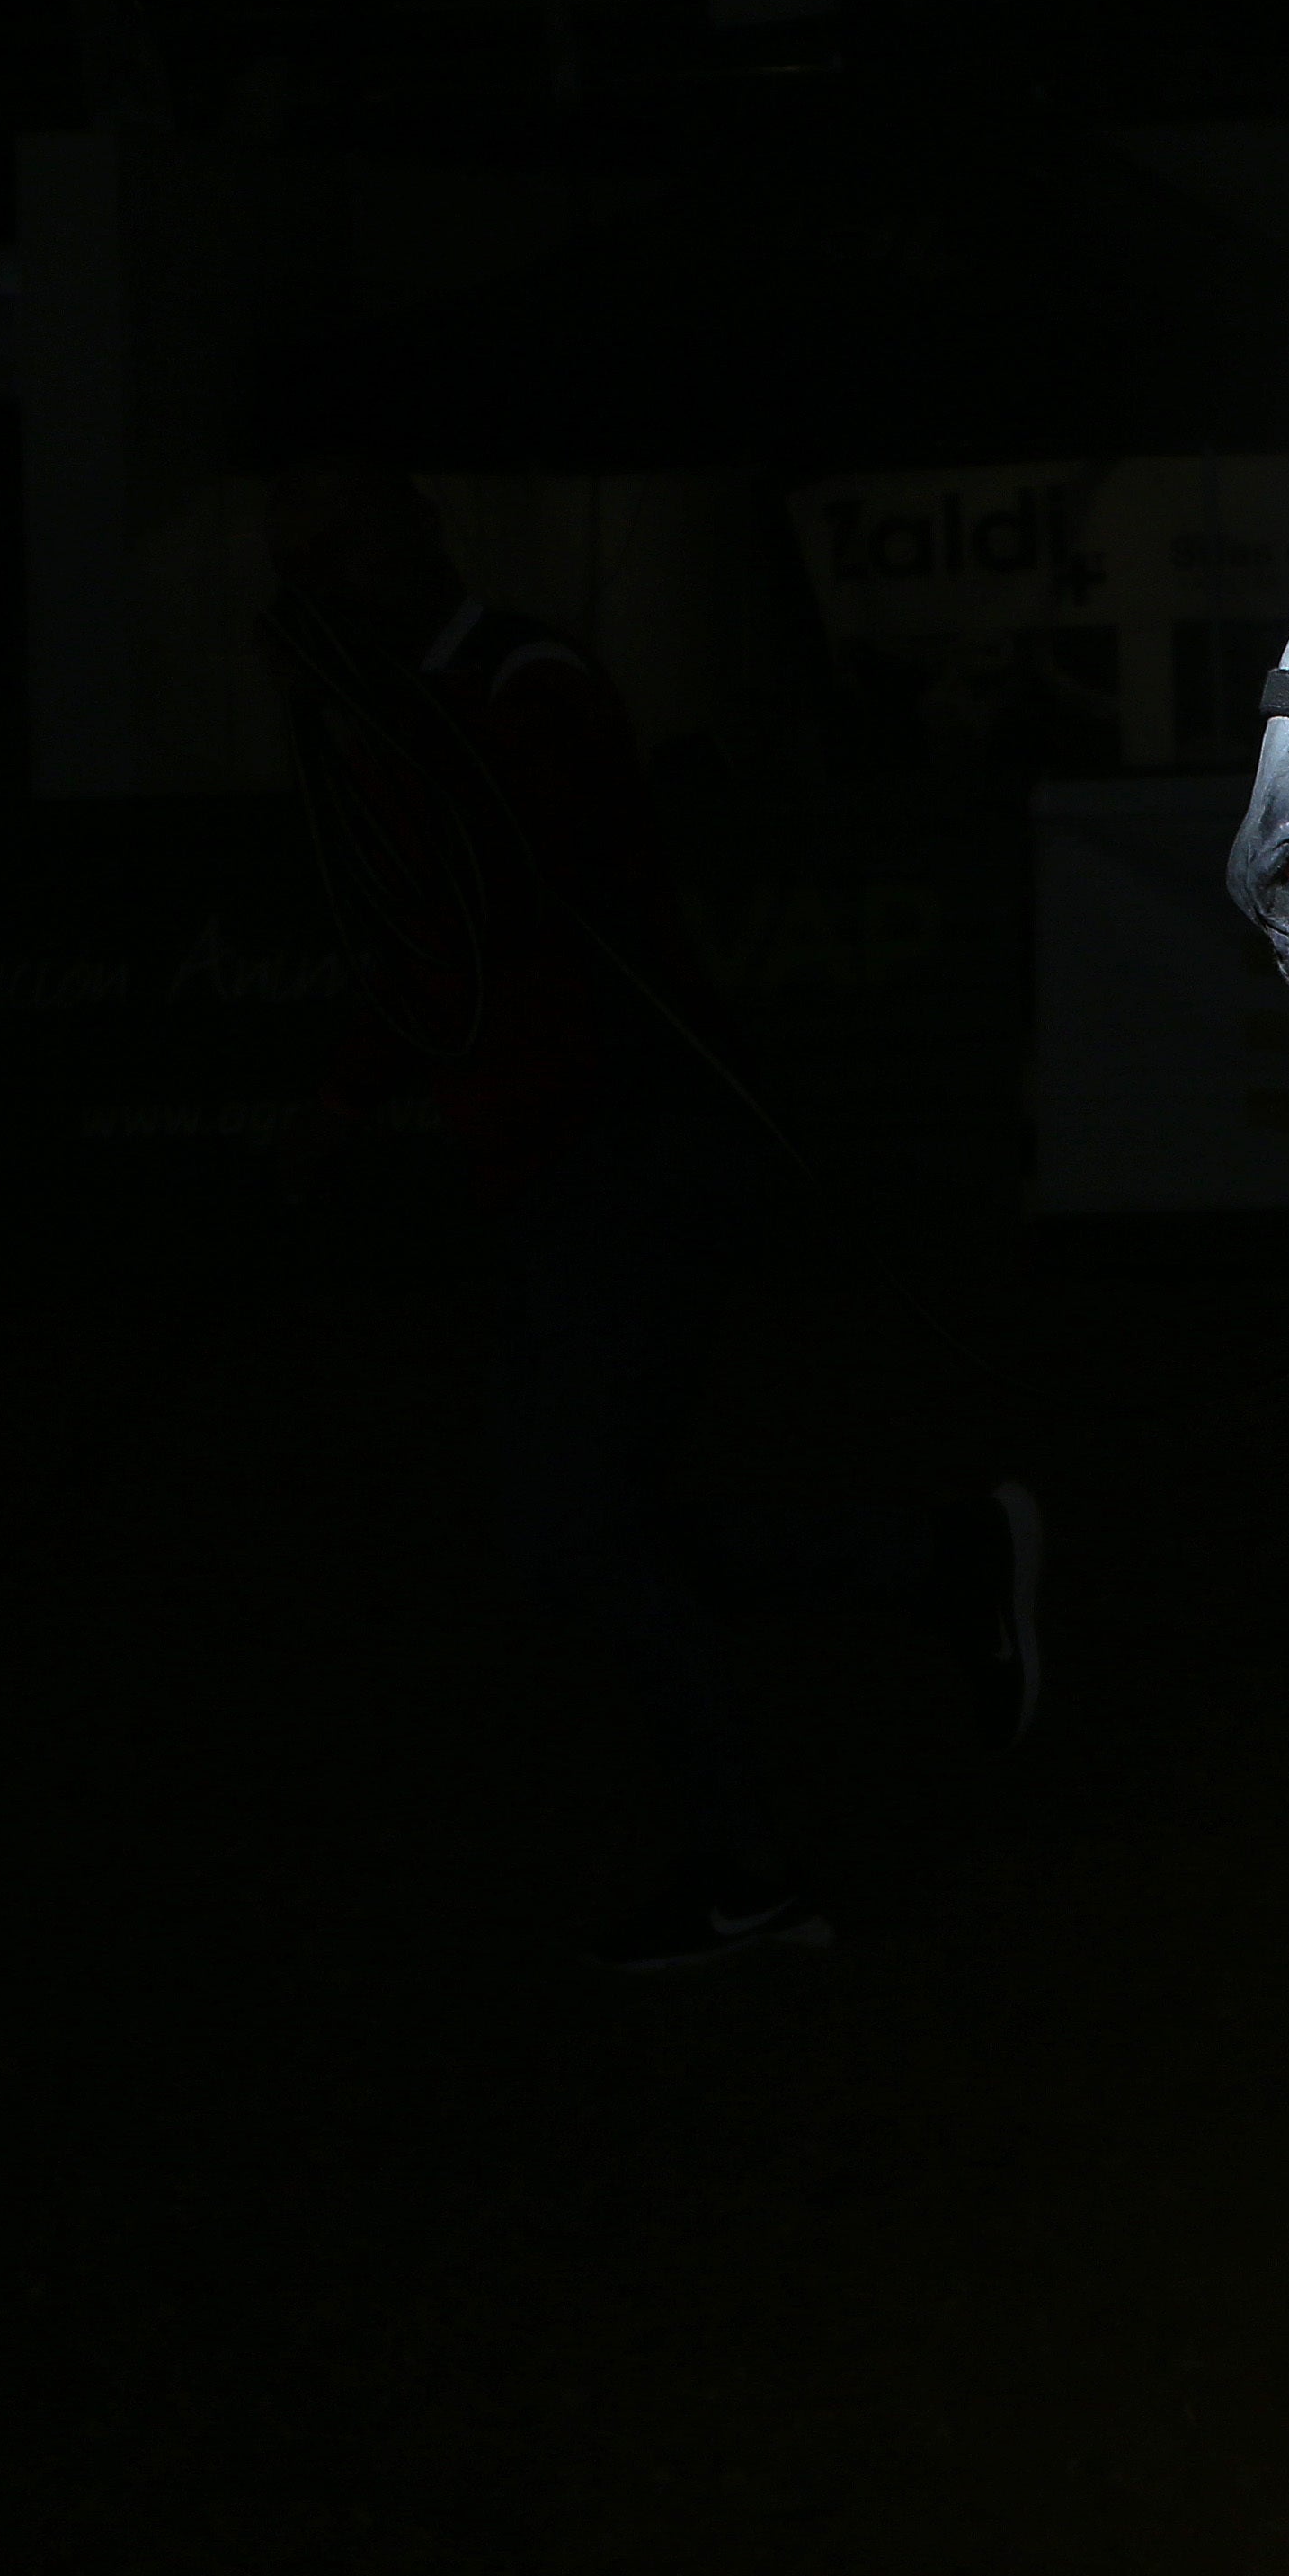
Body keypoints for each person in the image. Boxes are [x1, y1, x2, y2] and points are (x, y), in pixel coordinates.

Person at [264, 465, 1041, 1971]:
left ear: (412, 538)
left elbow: (496, 889)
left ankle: (757, 1853)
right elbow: (429, 942)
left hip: (631, 1145)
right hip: (569, 1162)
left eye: (341, 553)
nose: (330, 592)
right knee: (583, 1530)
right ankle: (923, 1574)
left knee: (578, 1526)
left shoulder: (524, 683)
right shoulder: (439, 702)